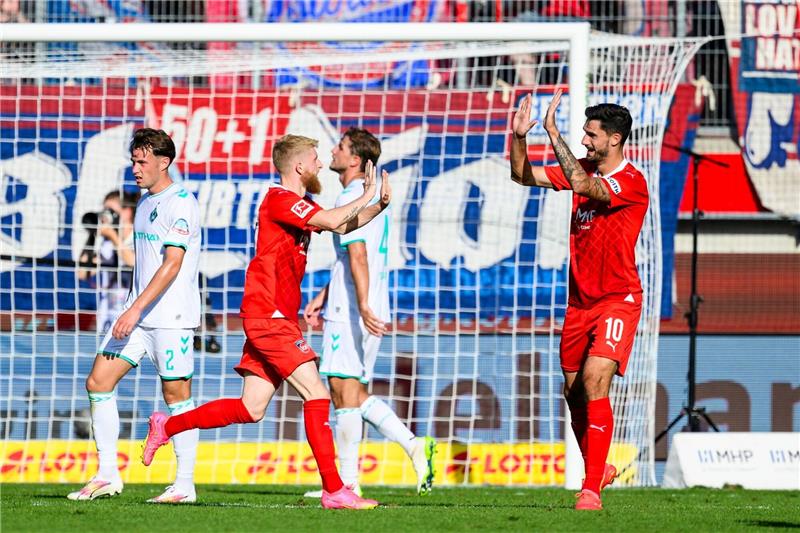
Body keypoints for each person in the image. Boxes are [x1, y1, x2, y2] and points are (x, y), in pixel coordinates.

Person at [141, 134, 391, 510]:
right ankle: (335, 489)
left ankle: (167, 425)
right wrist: (365, 196)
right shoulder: (279, 200)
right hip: (268, 314)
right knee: (318, 394)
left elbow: (342, 226)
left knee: (251, 408)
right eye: (315, 158)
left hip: (274, 314)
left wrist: (379, 205)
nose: (321, 164)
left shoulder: (298, 204)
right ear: (300, 166)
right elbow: (336, 219)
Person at [509, 89, 648, 511]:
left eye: (591, 135)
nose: (586, 141)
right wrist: (518, 138)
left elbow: (586, 185)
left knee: (593, 381)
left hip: (617, 299)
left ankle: (590, 490)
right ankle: (598, 467)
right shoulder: (583, 167)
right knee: (572, 391)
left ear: (615, 139)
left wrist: (553, 132)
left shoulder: (631, 180)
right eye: (584, 135)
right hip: (579, 302)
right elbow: (522, 176)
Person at [67, 128, 202, 504]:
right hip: (137, 317)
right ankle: (107, 473)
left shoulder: (182, 203)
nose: (136, 168)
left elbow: (172, 265)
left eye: (142, 161)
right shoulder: (143, 203)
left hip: (171, 319)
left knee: (177, 397)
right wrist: (133, 308)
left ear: (164, 161)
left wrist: (135, 308)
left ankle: (184, 485)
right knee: (98, 382)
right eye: (133, 160)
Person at [303, 128, 436, 498]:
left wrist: (358, 304)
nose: (333, 150)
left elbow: (358, 252)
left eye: (341, 147)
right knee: (355, 391)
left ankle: (346, 483)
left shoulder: (351, 196)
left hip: (353, 308)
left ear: (355, 161)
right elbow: (353, 256)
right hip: (367, 300)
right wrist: (323, 294)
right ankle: (412, 445)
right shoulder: (372, 195)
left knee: (342, 392)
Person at [81, 190, 139, 334]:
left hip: (133, 315)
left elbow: (133, 262)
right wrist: (92, 236)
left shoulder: (138, 236)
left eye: (110, 210)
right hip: (108, 315)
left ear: (127, 212)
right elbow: (82, 273)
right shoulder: (107, 243)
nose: (106, 214)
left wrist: (113, 236)